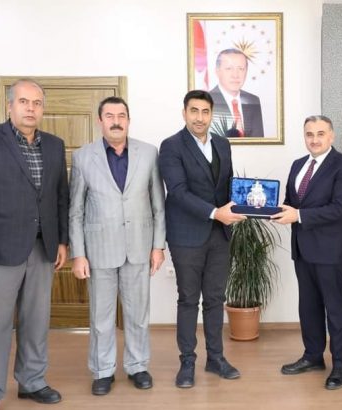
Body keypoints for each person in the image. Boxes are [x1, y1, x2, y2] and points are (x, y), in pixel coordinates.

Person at [0, 79, 69, 409]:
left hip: (43, 248)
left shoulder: (54, 145)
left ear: (42, 109)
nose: (30, 108)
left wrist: (62, 241)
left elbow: (60, 197)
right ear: (9, 106)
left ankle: (32, 381)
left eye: (36, 103)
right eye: (23, 101)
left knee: (36, 321)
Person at [68, 96, 165, 396]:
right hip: (99, 250)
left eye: (121, 115)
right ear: (100, 121)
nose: (116, 121)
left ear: (128, 120)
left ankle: (137, 366)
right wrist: (78, 254)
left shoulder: (148, 153)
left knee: (138, 314)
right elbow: (75, 211)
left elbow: (158, 204)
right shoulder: (83, 157)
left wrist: (158, 246)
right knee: (101, 317)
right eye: (109, 116)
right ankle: (102, 370)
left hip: (139, 246)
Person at [158, 90, 246, 389]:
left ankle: (216, 358)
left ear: (211, 115)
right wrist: (215, 213)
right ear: (184, 113)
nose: (199, 117)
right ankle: (187, 362)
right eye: (193, 111)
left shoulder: (222, 144)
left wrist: (247, 203)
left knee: (215, 299)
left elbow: (229, 184)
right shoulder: (171, 146)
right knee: (188, 299)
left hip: (220, 235)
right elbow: (178, 192)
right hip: (186, 235)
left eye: (205, 111)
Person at [273, 115, 342, 390]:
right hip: (302, 249)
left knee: (335, 309)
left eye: (321, 133)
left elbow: (339, 209)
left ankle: (341, 365)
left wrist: (298, 215)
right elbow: (291, 202)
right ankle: (312, 356)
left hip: (331, 251)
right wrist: (267, 208)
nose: (315, 139)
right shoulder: (299, 165)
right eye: (309, 134)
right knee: (308, 307)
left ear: (331, 136)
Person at [210, 48, 265, 138]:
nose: (235, 75)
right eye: (229, 68)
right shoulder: (206, 101)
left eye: (241, 68)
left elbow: (258, 140)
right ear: (217, 71)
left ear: (246, 71)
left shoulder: (253, 100)